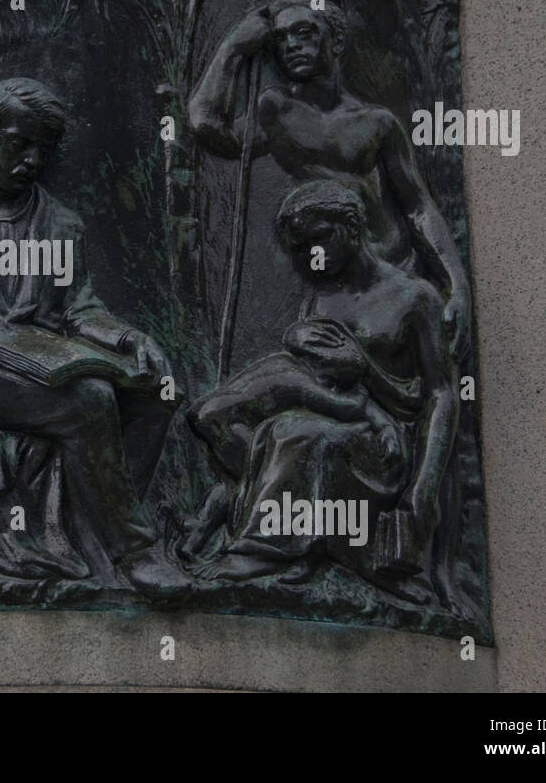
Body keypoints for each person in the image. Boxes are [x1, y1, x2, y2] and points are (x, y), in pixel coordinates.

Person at [0, 77, 189, 596]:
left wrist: (128, 338)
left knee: (157, 391)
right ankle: (135, 552)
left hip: (41, 354)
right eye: (19, 142)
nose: (33, 159)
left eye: (44, 148)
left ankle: (88, 527)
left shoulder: (61, 223)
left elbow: (79, 308)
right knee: (88, 399)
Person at [186, 180, 457, 593]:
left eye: (319, 239)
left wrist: (425, 485)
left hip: (386, 442)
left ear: (351, 225)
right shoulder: (321, 300)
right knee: (227, 419)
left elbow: (442, 393)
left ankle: (260, 552)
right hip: (336, 414)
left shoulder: (415, 298)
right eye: (301, 247)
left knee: (293, 433)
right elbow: (311, 377)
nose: (312, 255)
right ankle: (291, 528)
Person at [189, 0, 471, 357]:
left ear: (336, 40)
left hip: (393, 274)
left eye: (304, 32)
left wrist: (457, 285)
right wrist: (234, 47)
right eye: (280, 38)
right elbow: (205, 124)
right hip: (330, 285)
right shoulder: (277, 111)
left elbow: (418, 207)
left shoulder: (377, 123)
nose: (290, 45)